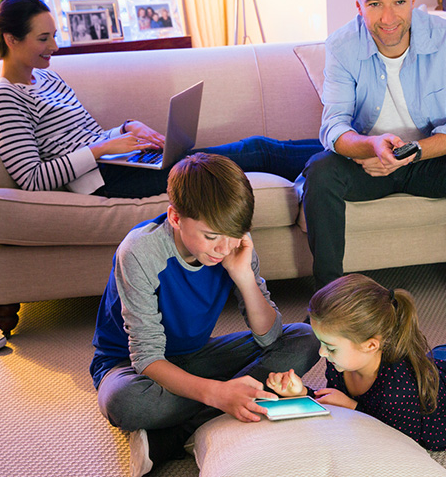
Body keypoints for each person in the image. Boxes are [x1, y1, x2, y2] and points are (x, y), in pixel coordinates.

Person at [301, 0, 446, 333]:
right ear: (358, 5)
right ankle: (328, 295)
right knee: (319, 171)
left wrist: (412, 154)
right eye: (374, 4)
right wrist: (371, 147)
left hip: (426, 158)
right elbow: (333, 126)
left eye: (399, 1)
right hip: (369, 163)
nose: (389, 17)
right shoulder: (341, 46)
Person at [90, 153, 321, 476]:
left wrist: (243, 276)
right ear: (175, 217)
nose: (223, 248)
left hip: (195, 355)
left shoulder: (234, 243)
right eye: (210, 236)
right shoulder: (140, 252)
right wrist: (217, 392)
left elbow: (270, 336)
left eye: (233, 234)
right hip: (132, 366)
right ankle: (233, 401)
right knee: (126, 404)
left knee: (305, 338)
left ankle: (177, 433)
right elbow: (146, 357)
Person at [0, 0, 322, 198]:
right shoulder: (6, 97)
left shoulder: (47, 78)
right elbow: (31, 178)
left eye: (53, 36)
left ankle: (345, 147)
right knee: (257, 150)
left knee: (259, 148)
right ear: (11, 39)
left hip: (116, 163)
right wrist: (102, 149)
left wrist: (127, 130)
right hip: (103, 181)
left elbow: (86, 135)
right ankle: (345, 152)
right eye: (43, 39)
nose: (53, 47)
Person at [267, 273, 446, 451]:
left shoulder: (396, 390)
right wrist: (302, 394)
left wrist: (354, 407)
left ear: (371, 345)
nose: (321, 355)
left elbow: (404, 440)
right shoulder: (343, 359)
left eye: (329, 347)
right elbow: (334, 399)